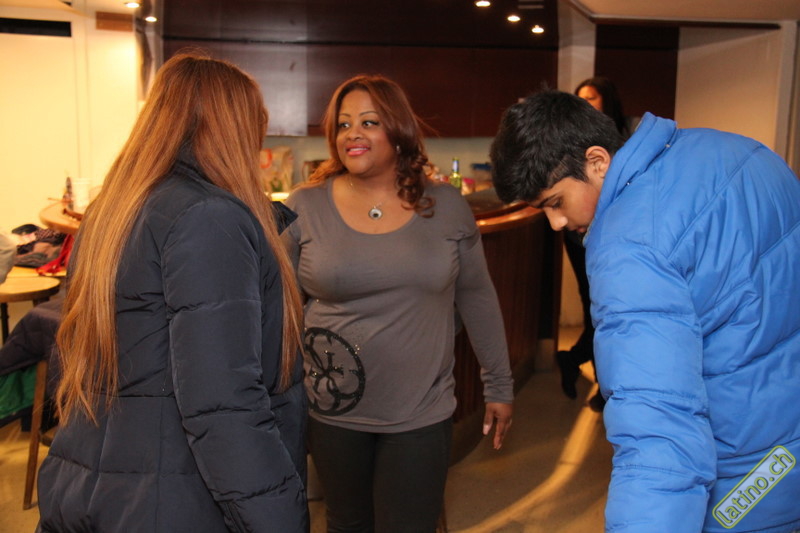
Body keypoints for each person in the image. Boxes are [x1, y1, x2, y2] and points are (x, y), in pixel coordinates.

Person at [489, 90, 800, 532]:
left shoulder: (627, 244)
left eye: (555, 203)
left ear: (597, 161)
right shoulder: (738, 151)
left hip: (750, 470)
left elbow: (658, 432)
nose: (556, 223)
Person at [37, 53, 309, 532]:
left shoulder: (110, 214)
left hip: (96, 488)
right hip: (170, 501)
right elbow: (224, 405)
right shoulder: (209, 219)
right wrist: (281, 519)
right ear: (235, 129)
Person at [283, 74, 514, 533]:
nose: (353, 133)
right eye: (344, 124)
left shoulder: (445, 206)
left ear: (398, 130)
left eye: (369, 122)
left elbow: (477, 296)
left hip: (420, 412)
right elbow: (280, 307)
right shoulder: (304, 206)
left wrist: (499, 385)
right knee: (346, 523)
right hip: (333, 410)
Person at [557, 76, 639, 410]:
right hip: (580, 235)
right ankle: (603, 386)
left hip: (618, 231)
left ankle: (576, 362)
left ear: (607, 100)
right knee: (595, 306)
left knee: (611, 307)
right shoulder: (571, 136)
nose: (584, 103)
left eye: (591, 97)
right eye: (580, 98)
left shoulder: (628, 133)